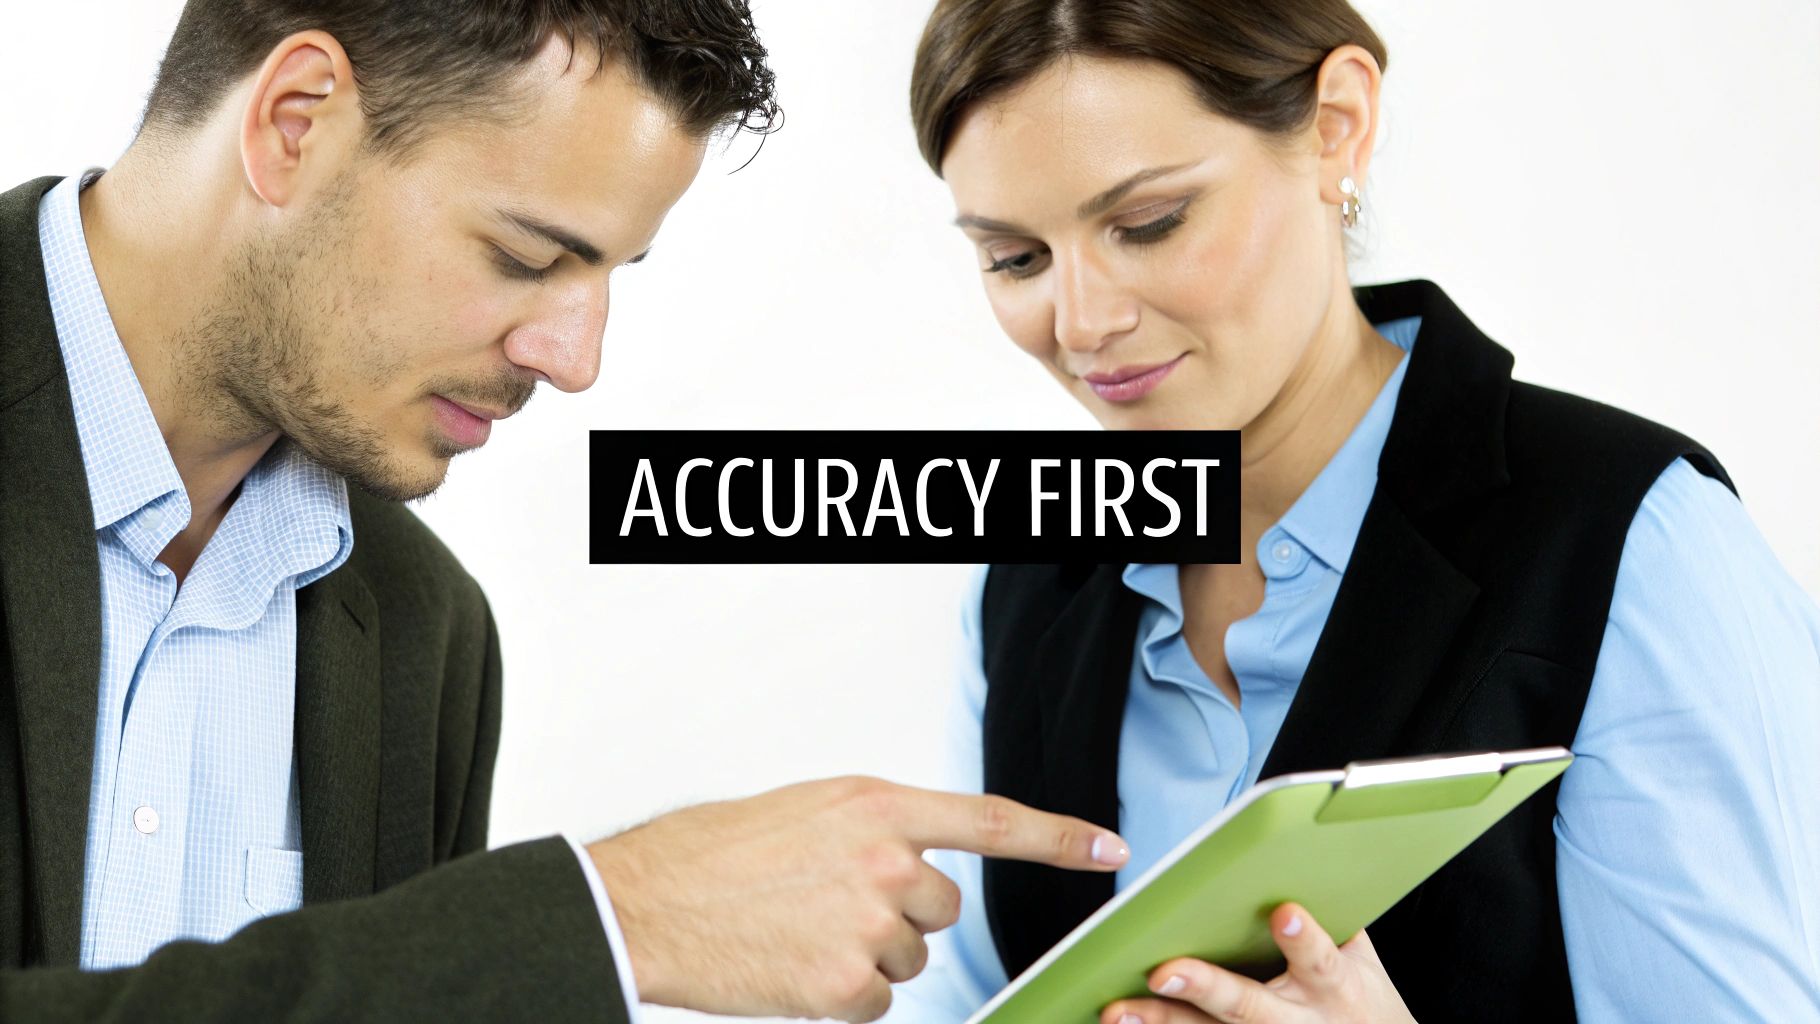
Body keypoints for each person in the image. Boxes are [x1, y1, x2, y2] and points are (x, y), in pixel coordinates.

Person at [0, 3, 1133, 1021]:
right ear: (294, 123)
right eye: (524, 254)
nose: (574, 358)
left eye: (609, 275)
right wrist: (606, 919)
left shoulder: (421, 630)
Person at [888, 1, 1820, 1022]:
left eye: (1149, 222)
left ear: (1336, 125)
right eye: (1014, 258)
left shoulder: (1632, 542)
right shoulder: (1027, 576)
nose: (1081, 323)